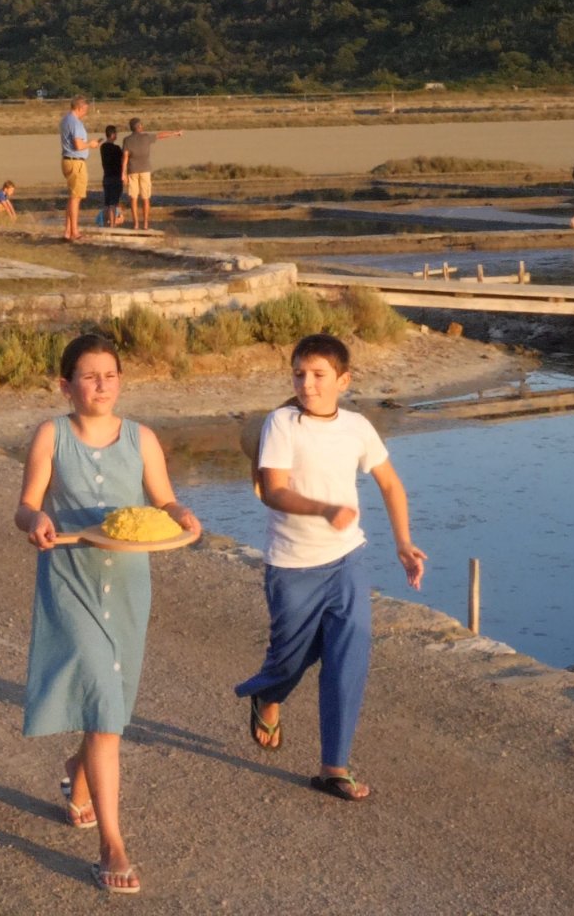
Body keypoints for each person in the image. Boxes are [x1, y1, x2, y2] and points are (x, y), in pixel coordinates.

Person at [16, 334, 202, 897]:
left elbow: (164, 499)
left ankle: (78, 775)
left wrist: (182, 513)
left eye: (110, 375)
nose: (100, 385)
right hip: (69, 578)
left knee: (109, 708)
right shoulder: (50, 435)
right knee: (102, 700)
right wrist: (35, 524)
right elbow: (26, 505)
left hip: (127, 584)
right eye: (88, 376)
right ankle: (112, 845)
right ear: (65, 385)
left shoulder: (142, 438)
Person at [236, 333, 425, 805]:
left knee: (349, 659)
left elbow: (391, 485)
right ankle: (267, 695)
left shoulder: (358, 427)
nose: (307, 384)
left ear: (343, 380)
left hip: (347, 561)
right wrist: (324, 509)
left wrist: (404, 543)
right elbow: (276, 491)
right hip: (292, 566)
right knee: (290, 660)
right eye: (299, 373)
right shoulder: (282, 423)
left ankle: (333, 768)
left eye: (319, 375)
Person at [120, 118, 181, 231]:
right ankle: (146, 224)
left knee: (133, 198)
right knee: (146, 198)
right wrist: (174, 133)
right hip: (145, 170)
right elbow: (160, 135)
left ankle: (136, 224)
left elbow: (125, 158)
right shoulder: (146, 137)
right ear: (139, 127)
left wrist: (123, 174)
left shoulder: (127, 140)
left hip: (132, 171)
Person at [59, 96, 98, 241]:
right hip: (76, 162)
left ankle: (68, 231)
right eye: (85, 109)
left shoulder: (65, 120)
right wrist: (91, 144)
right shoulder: (76, 123)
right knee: (76, 197)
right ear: (80, 107)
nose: (85, 113)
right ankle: (74, 231)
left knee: (72, 196)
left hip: (66, 160)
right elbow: (78, 145)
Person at [98, 125, 124, 227]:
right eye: (116, 133)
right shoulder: (116, 149)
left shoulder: (103, 147)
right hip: (115, 177)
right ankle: (112, 225)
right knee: (113, 202)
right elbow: (122, 160)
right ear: (113, 135)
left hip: (106, 177)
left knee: (107, 203)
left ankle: (104, 223)